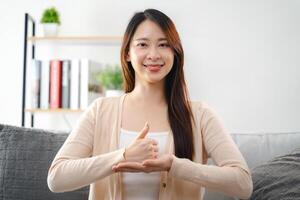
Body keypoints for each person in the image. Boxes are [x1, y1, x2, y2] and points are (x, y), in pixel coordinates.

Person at [47, 8, 253, 200]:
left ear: (175, 52)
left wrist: (175, 165)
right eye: (143, 44)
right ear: (127, 53)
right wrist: (123, 156)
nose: (154, 55)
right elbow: (56, 178)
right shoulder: (100, 110)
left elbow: (243, 184)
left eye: (163, 44)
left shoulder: (200, 115)